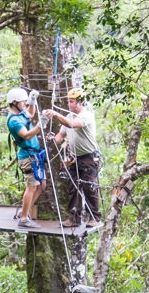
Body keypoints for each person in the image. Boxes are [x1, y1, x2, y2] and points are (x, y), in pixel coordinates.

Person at [43, 87, 101, 226]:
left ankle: (94, 218)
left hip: (88, 157)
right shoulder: (69, 116)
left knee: (89, 187)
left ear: (80, 103)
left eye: (72, 101)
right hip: (74, 158)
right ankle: (73, 219)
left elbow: (72, 125)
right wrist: (52, 140)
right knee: (73, 188)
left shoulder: (86, 115)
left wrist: (56, 114)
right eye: (69, 101)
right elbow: (61, 136)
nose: (69, 104)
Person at [6, 87, 47, 229]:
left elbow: (30, 113)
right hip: (27, 156)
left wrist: (32, 101)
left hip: (35, 155)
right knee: (31, 187)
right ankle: (23, 218)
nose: (25, 104)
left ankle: (26, 211)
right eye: (23, 102)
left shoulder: (21, 113)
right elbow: (27, 135)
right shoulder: (13, 121)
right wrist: (42, 123)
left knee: (42, 185)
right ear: (15, 102)